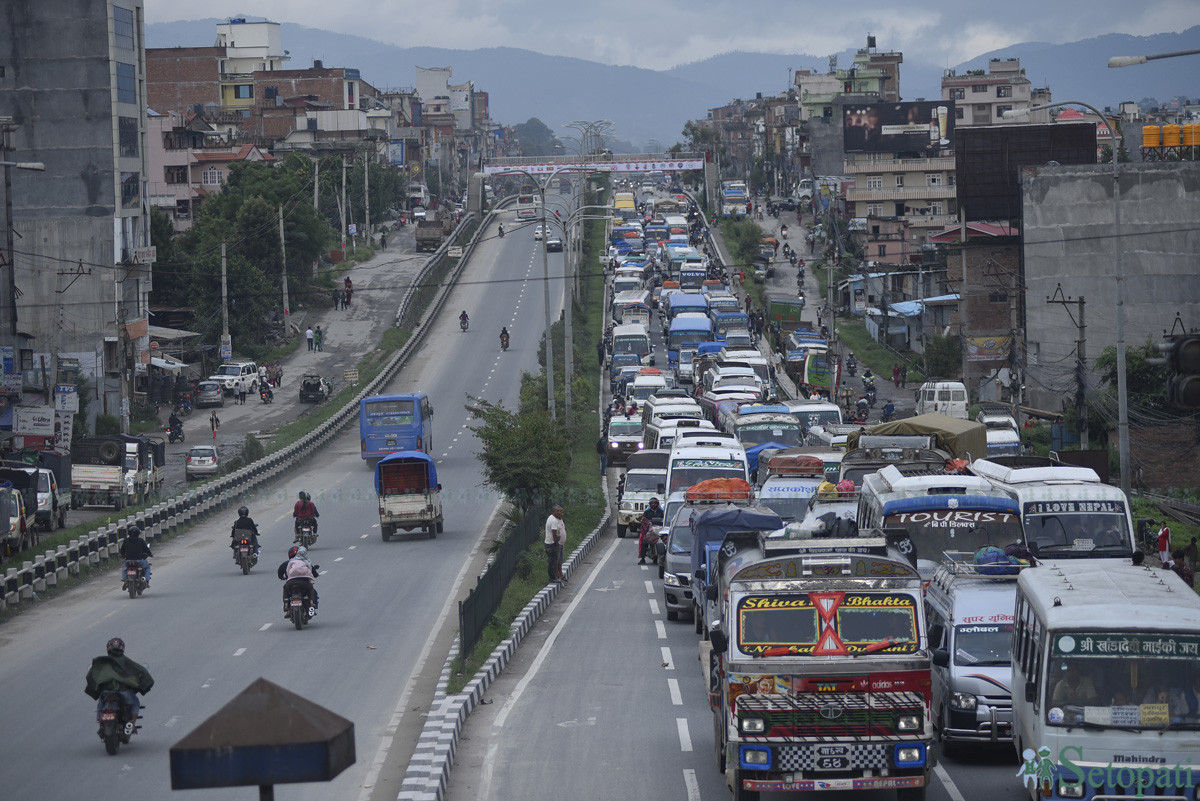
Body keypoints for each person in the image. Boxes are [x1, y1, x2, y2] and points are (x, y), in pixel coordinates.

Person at [85, 637, 154, 738]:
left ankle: (101, 726)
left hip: (106, 693)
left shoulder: (102, 662)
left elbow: (91, 675)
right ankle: (132, 724)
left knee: (100, 705)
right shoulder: (126, 662)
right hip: (124, 692)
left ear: (108, 648)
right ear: (122, 648)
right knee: (136, 703)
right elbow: (141, 671)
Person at [277, 545, 319, 614]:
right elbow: (313, 572)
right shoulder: (306, 561)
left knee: (285, 589)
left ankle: (286, 605)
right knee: (311, 589)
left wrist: (283, 577)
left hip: (291, 583)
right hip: (305, 583)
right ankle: (312, 607)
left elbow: (281, 572)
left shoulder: (287, 563)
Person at [637, 498, 665, 565]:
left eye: (655, 503)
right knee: (643, 541)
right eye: (652, 503)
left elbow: (664, 520)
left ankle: (664, 557)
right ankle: (642, 558)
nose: (653, 505)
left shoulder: (661, 512)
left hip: (660, 530)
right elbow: (644, 520)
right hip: (650, 530)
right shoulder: (647, 512)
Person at [544, 505, 566, 585]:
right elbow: (554, 534)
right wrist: (556, 544)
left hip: (552, 544)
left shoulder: (554, 518)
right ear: (554, 511)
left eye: (561, 511)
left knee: (554, 561)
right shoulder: (553, 521)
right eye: (558, 511)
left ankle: (554, 577)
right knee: (552, 562)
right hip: (552, 544)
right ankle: (552, 578)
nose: (560, 513)